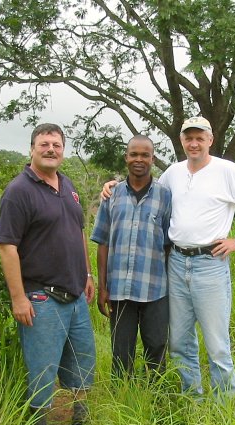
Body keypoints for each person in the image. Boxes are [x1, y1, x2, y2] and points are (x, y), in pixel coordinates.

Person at [102, 116, 235, 398]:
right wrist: (113, 184)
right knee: (180, 344)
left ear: (210, 140)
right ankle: (192, 401)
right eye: (188, 138)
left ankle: (223, 411)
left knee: (217, 346)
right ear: (182, 141)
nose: (194, 143)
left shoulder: (226, 171)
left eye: (199, 138)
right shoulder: (174, 173)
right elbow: (143, 183)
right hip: (177, 264)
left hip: (210, 264)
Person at [0, 123, 96, 425]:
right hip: (41, 297)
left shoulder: (67, 185)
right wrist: (19, 298)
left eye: (56, 144)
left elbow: (79, 232)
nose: (50, 149)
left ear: (63, 149)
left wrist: (88, 274)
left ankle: (80, 417)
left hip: (76, 295)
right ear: (32, 149)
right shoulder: (18, 191)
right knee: (42, 366)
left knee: (83, 359)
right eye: (44, 144)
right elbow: (7, 247)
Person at [91, 135, 172, 379]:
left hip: (155, 288)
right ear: (126, 158)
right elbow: (103, 242)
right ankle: (123, 399)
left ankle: (157, 401)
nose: (139, 159)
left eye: (145, 155)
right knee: (121, 353)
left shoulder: (165, 196)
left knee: (157, 348)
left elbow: (169, 244)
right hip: (119, 289)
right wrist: (103, 287)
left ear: (152, 159)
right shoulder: (111, 195)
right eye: (134, 154)